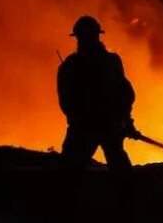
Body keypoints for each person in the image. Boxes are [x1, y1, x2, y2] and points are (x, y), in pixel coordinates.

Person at [57, 15, 139, 174]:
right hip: (100, 126)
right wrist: (125, 121)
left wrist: (126, 121)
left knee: (70, 171)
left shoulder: (71, 65)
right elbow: (125, 95)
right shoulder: (109, 62)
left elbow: (125, 95)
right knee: (118, 166)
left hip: (89, 128)